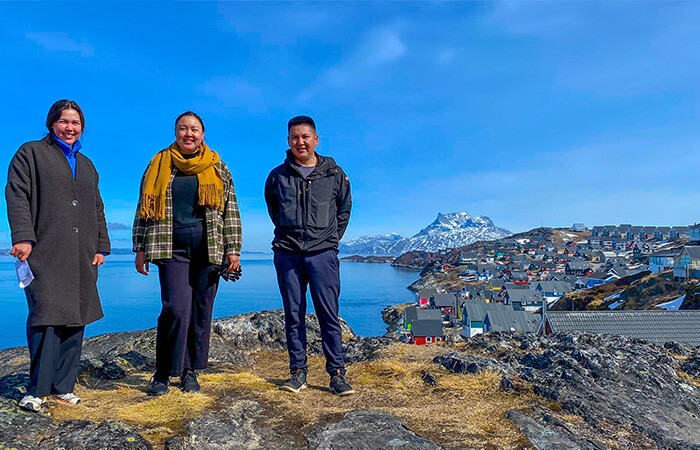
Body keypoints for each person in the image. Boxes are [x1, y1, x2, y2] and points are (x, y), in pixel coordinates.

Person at [5, 100, 110, 411]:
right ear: (52, 123)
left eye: (75, 123)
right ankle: (35, 390)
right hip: (46, 249)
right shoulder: (31, 153)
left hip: (83, 253)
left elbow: (97, 208)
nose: (70, 128)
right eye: (64, 121)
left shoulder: (88, 165)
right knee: (46, 316)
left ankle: (64, 387)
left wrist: (102, 245)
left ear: (82, 128)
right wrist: (23, 237)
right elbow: (16, 194)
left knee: (76, 318)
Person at [133, 111, 241, 396]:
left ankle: (189, 371)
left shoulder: (218, 166)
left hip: (210, 248)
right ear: (175, 132)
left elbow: (230, 210)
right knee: (175, 309)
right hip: (170, 246)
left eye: (194, 129)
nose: (188, 134)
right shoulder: (159, 164)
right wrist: (140, 248)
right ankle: (163, 372)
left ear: (202, 134)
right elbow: (143, 208)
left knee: (201, 310)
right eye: (183, 129)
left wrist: (234, 251)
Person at [264, 115, 354, 396]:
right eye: (294, 137)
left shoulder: (334, 174)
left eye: (305, 136)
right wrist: (289, 236)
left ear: (316, 139)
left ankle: (337, 374)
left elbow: (344, 210)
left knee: (329, 315)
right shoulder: (278, 176)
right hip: (288, 255)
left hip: (323, 255)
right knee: (293, 314)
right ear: (288, 141)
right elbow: (273, 210)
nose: (300, 142)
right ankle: (298, 373)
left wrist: (329, 241)